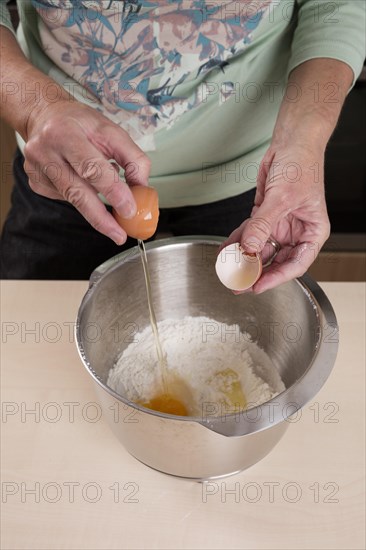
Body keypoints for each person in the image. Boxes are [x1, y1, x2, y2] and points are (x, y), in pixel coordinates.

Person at [0, 1, 365, 290]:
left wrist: (303, 142)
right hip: (65, 171)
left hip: (257, 182)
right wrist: (36, 109)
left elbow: (335, 6)